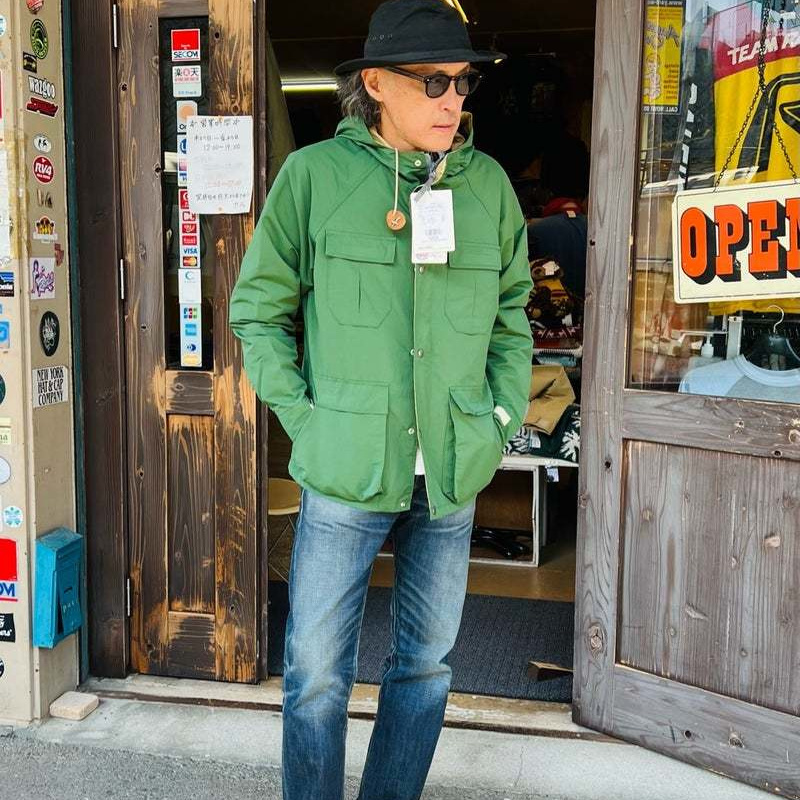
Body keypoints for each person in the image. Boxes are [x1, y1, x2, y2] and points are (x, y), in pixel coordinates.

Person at [229, 1, 533, 798]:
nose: (451, 100)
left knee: (426, 667)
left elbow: (512, 316)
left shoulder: (488, 187)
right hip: (345, 468)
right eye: (433, 81)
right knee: (316, 672)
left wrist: (498, 420)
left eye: (462, 83)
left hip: (454, 472)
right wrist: (307, 420)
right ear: (375, 84)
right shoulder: (313, 178)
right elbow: (258, 311)